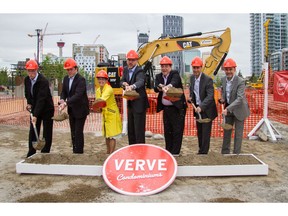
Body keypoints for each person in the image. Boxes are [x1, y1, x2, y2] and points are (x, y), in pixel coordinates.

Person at [154, 56, 187, 156]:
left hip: (177, 108)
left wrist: (167, 87)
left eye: (166, 66)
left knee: (177, 130)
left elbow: (174, 82)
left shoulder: (174, 74)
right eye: (162, 66)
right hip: (166, 108)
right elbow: (155, 86)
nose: (164, 68)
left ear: (170, 67)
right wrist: (159, 87)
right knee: (167, 130)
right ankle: (168, 151)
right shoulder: (158, 76)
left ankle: (175, 152)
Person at [24, 59, 54, 157]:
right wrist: (29, 103)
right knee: (33, 129)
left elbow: (41, 99)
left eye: (33, 71)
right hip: (35, 108)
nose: (31, 73)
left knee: (47, 131)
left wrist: (35, 115)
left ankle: (45, 152)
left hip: (46, 109)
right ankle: (31, 151)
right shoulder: (27, 80)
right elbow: (28, 93)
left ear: (36, 70)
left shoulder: (43, 81)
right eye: (29, 71)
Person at [219, 58, 250, 154]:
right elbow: (224, 93)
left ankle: (236, 154)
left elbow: (240, 98)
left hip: (239, 110)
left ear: (234, 70)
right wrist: (222, 99)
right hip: (228, 110)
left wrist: (227, 108)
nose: (228, 72)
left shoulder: (240, 81)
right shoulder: (223, 79)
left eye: (230, 69)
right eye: (226, 69)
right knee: (227, 132)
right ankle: (225, 153)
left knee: (238, 134)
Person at [59, 58, 89, 154]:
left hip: (80, 110)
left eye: (71, 69)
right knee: (73, 131)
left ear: (76, 69)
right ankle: (74, 150)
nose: (69, 71)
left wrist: (66, 103)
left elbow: (78, 95)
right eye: (67, 70)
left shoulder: (81, 80)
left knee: (78, 131)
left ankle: (79, 152)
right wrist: (62, 99)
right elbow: (64, 91)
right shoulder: (66, 79)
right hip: (72, 110)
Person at [189, 57, 218, 154]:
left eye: (198, 68)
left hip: (207, 110)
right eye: (194, 68)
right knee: (200, 131)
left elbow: (210, 96)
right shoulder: (192, 78)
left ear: (201, 68)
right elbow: (193, 92)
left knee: (205, 132)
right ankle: (200, 149)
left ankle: (204, 152)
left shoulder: (208, 80)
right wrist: (190, 98)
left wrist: (201, 107)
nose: (196, 70)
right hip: (197, 109)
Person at [120, 50, 150, 145]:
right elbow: (121, 81)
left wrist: (132, 86)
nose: (130, 62)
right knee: (131, 129)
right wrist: (123, 84)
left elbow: (140, 82)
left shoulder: (140, 71)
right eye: (129, 60)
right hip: (131, 104)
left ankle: (140, 149)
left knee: (139, 130)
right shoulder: (125, 70)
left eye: (132, 60)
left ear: (136, 60)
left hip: (139, 105)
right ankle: (132, 148)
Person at [95, 70, 122, 154]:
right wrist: (98, 108)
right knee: (107, 135)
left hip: (112, 114)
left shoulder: (109, 89)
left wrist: (96, 105)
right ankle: (108, 152)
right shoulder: (98, 90)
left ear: (106, 80)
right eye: (99, 79)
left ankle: (111, 153)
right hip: (105, 115)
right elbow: (99, 104)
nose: (101, 81)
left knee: (112, 136)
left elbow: (101, 100)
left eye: (103, 79)